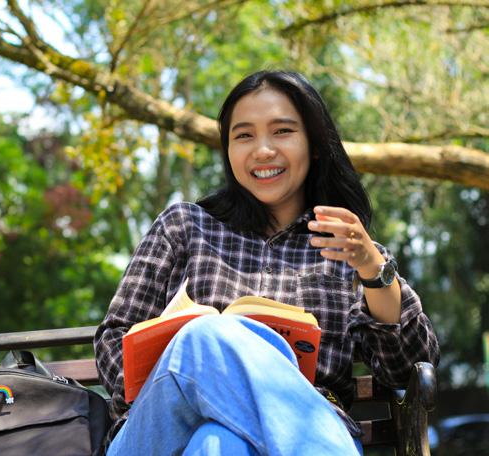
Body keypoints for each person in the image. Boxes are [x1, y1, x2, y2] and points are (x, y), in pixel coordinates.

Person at [94, 70, 440, 455]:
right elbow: (112, 347)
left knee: (220, 442)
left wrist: (374, 269)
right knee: (202, 338)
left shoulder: (351, 249)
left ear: (315, 144)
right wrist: (200, 371)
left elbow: (407, 369)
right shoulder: (184, 227)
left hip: (266, 435)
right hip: (159, 434)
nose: (262, 150)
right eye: (244, 135)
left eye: (282, 131)